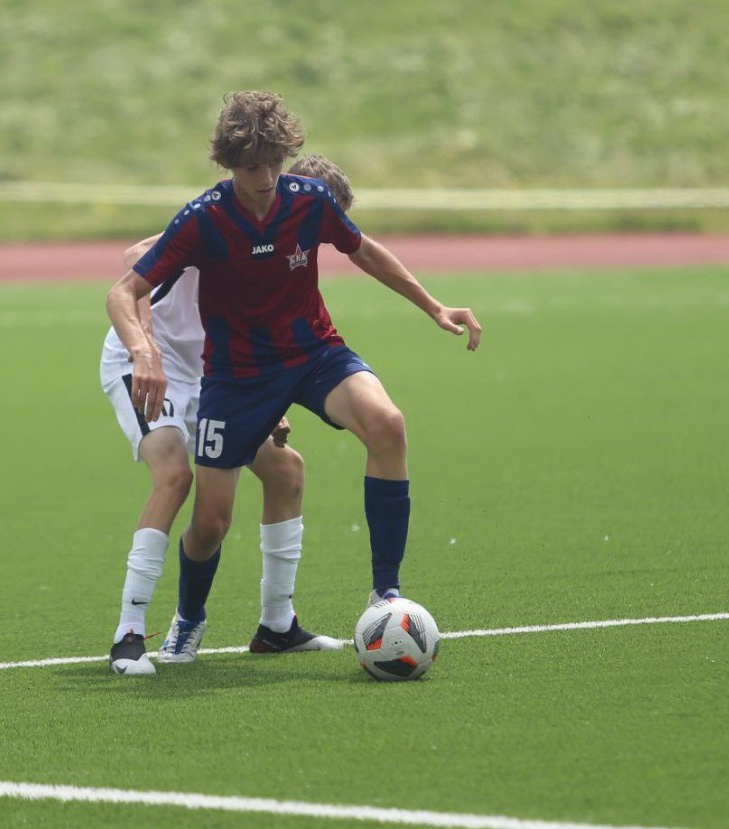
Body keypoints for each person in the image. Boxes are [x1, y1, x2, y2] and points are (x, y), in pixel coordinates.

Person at [106, 91, 481, 663]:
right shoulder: (205, 217)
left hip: (312, 353)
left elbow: (364, 251)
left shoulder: (309, 201)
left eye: (274, 163)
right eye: (252, 167)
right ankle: (187, 619)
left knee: (387, 423)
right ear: (229, 164)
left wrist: (433, 306)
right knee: (210, 521)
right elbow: (125, 285)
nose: (265, 178)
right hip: (233, 376)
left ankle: (384, 594)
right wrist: (145, 350)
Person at [101, 160, 353, 675]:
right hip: (149, 365)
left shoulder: (288, 253)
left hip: (220, 376)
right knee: (174, 476)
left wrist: (271, 405)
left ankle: (277, 626)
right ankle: (128, 635)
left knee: (286, 471)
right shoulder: (219, 219)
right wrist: (146, 349)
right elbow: (135, 259)